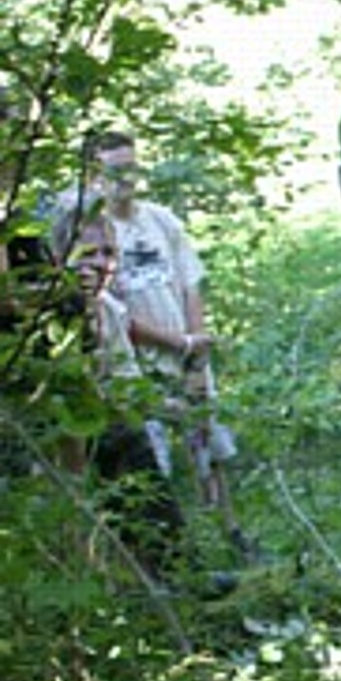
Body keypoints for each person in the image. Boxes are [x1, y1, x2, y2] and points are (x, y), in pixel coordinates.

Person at [83, 130, 256, 565]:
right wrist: (174, 343)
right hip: (139, 362)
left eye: (131, 167)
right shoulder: (94, 231)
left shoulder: (160, 220)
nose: (126, 178)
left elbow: (189, 282)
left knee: (207, 442)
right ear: (95, 174)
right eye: (115, 170)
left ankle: (229, 532)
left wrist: (195, 347)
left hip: (185, 349)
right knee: (152, 456)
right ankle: (173, 554)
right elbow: (112, 309)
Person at [52, 205, 186, 581]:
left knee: (133, 442)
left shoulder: (110, 309)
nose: (98, 264)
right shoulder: (46, 313)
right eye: (87, 252)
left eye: (108, 253)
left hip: (107, 427)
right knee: (120, 438)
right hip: (64, 438)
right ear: (62, 254)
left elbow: (126, 383)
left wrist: (163, 404)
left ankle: (173, 569)